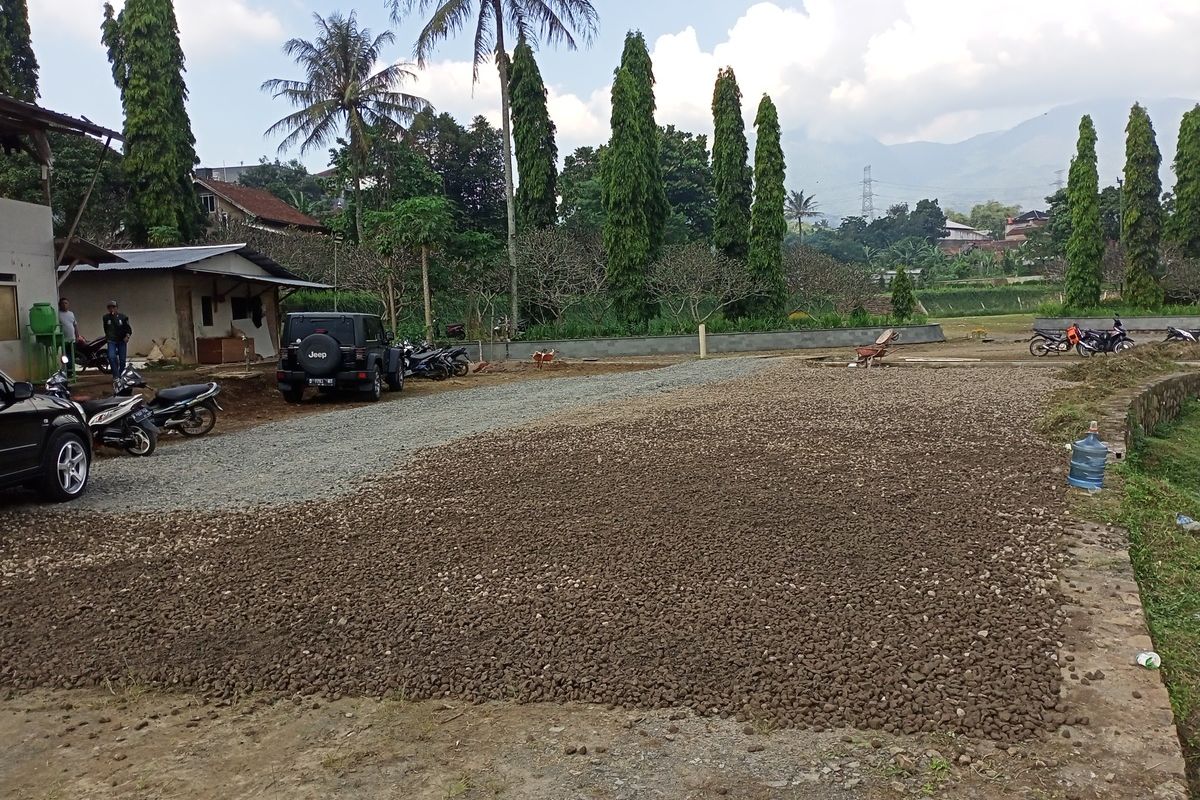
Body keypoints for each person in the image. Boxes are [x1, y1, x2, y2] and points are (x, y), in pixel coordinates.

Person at [102, 300, 132, 375]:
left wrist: (127, 336)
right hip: (111, 340)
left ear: (116, 308)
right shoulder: (106, 317)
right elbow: (105, 328)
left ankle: (121, 374)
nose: (112, 309)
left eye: (113, 307)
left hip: (121, 340)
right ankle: (116, 375)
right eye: (110, 307)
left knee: (122, 360)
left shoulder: (123, 317)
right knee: (111, 357)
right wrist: (108, 336)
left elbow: (128, 329)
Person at [57, 297, 81, 374]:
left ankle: (71, 372)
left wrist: (77, 336)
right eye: (63, 303)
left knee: (72, 356)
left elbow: (75, 325)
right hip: (63, 340)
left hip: (72, 339)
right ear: (59, 305)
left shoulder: (71, 314)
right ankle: (66, 372)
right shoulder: (58, 314)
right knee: (65, 356)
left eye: (66, 303)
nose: (64, 305)